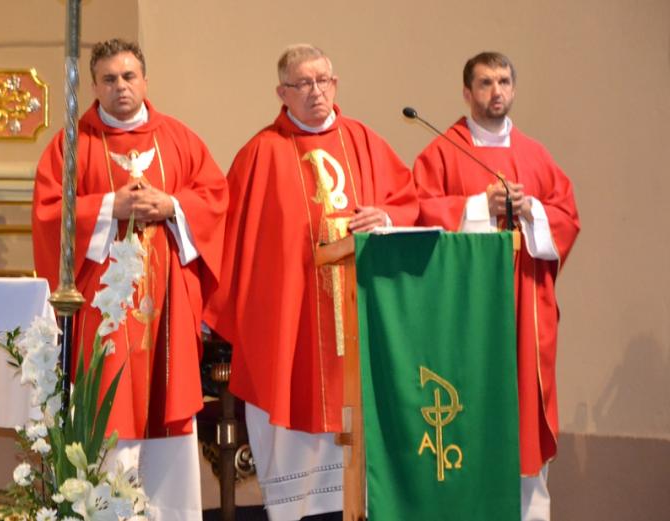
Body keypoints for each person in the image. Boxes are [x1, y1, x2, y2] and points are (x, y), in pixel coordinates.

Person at [204, 44, 419, 520]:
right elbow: (228, 239)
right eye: (302, 83)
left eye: (323, 81)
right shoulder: (260, 154)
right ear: (282, 93)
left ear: (335, 84)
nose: (316, 92)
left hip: (357, 326)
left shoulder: (365, 142)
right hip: (292, 334)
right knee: (294, 481)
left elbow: (408, 200)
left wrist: (386, 216)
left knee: (359, 479)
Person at [32, 38, 228, 521]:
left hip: (168, 310)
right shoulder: (71, 144)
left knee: (168, 407)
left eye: (129, 76)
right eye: (109, 79)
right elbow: (48, 214)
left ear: (145, 80)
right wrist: (108, 207)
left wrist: (173, 205)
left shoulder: (179, 139)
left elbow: (216, 200)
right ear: (94, 86)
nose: (120, 86)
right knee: (108, 404)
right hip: (103, 314)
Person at [412, 51, 580, 521]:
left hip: (526, 310)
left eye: (504, 81)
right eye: (485, 83)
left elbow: (567, 217)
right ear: (467, 93)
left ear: (514, 88)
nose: (496, 92)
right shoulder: (440, 152)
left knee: (525, 416)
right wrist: (478, 208)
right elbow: (418, 211)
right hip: (467, 315)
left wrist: (532, 212)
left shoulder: (535, 155)